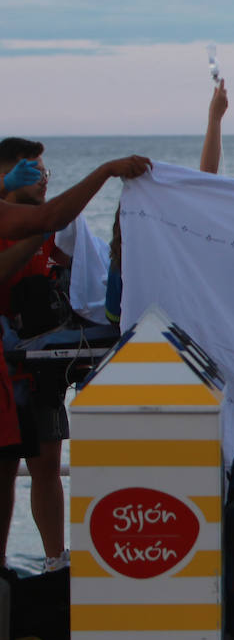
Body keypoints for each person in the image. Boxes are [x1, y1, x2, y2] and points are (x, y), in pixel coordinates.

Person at [0, 144, 151, 569]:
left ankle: (54, 560)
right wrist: (105, 171)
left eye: (46, 171)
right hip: (7, 371)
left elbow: (90, 281)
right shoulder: (25, 223)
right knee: (5, 470)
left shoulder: (58, 230)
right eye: (33, 171)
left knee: (46, 463)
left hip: (43, 368)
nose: (44, 178)